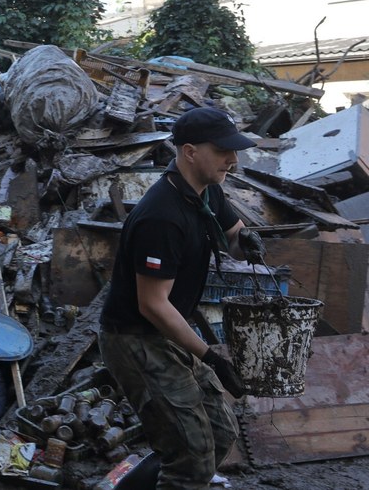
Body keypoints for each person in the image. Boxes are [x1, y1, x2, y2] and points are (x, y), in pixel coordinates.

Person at [99, 107, 266, 488]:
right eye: (224, 150)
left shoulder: (206, 191)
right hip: (134, 338)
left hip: (165, 331)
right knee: (191, 454)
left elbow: (235, 236)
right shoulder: (162, 217)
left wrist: (248, 242)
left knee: (219, 434)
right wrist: (210, 356)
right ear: (190, 152)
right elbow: (152, 304)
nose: (233, 159)